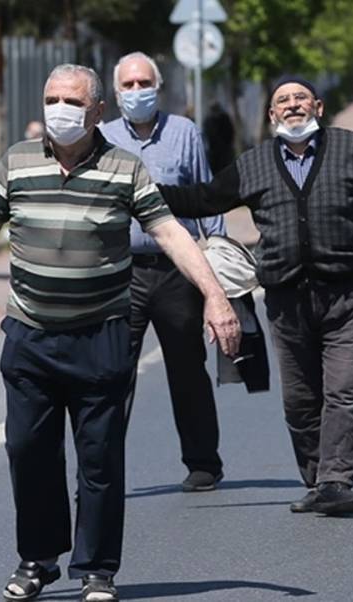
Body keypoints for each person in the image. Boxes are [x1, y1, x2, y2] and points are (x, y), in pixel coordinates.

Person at [0, 64, 239, 602]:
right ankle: (37, 559)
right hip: (30, 335)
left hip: (100, 335)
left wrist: (215, 296)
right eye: (52, 98)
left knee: (99, 457)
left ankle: (97, 568)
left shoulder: (124, 168)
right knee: (27, 449)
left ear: (97, 111)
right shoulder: (17, 161)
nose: (60, 109)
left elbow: (169, 232)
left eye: (73, 102)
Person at [157, 74, 353, 515]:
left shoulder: (349, 148)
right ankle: (317, 480)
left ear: (318, 107)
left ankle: (335, 480)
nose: (292, 105)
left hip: (348, 294)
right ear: (271, 115)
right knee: (301, 401)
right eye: (282, 100)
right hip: (287, 301)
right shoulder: (253, 164)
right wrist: (137, 191)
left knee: (344, 391)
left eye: (300, 98)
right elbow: (202, 199)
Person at [100, 51, 228, 493]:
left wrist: (218, 270)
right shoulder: (100, 137)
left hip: (176, 272)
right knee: (112, 373)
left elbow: (206, 196)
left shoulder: (184, 133)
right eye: (128, 85)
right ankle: (102, 468)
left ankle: (203, 462)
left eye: (144, 83)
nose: (137, 92)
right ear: (116, 93)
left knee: (188, 369)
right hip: (121, 274)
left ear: (159, 87)